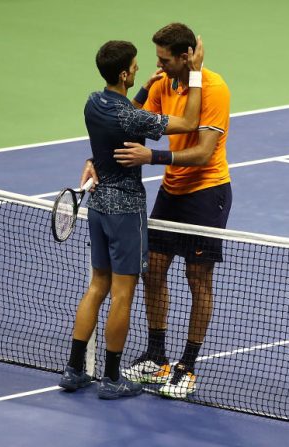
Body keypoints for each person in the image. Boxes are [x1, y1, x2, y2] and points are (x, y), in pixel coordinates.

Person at [82, 23, 231, 399]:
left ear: (186, 56)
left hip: (205, 191)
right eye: (156, 59)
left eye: (165, 59)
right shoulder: (165, 84)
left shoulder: (213, 88)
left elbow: (202, 153)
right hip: (171, 191)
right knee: (153, 273)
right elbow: (122, 121)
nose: (159, 65)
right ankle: (157, 354)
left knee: (198, 280)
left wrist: (153, 156)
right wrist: (97, 157)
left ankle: (188, 364)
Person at [59, 38, 204, 400]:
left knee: (96, 288)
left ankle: (74, 370)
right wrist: (197, 75)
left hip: (98, 207)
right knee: (123, 294)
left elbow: (124, 112)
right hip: (126, 213)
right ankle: (111, 377)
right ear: (123, 72)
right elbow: (187, 122)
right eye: (136, 66)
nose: (141, 67)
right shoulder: (130, 116)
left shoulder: (93, 103)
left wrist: (144, 87)